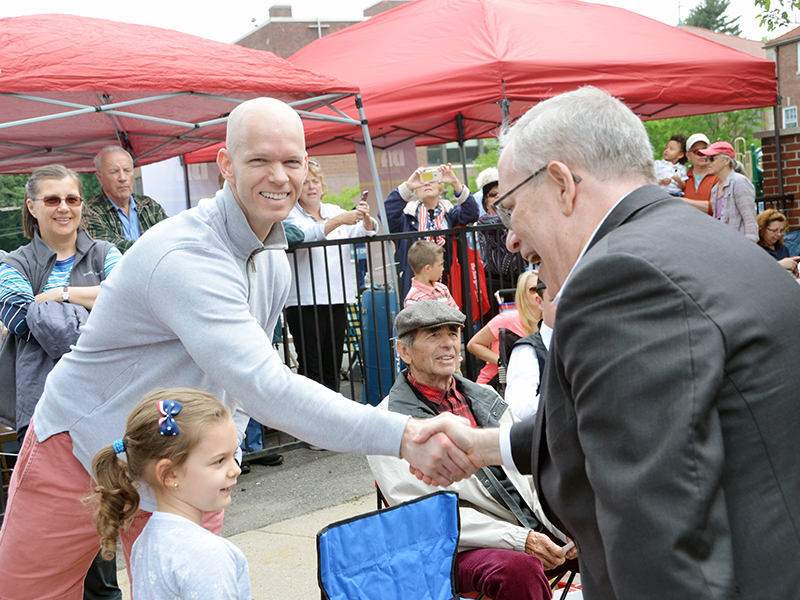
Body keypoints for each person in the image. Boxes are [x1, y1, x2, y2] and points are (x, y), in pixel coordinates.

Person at [0, 97, 475, 600]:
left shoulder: (273, 258)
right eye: (259, 160)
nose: (279, 176)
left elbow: (248, 387)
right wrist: (404, 433)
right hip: (82, 447)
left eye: (292, 161)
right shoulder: (185, 255)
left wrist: (222, 453)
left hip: (182, 463)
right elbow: (265, 386)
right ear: (226, 165)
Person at [437, 86, 800, 599]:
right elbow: (633, 418)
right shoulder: (694, 237)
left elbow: (658, 537)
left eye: (510, 207)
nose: (512, 238)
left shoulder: (617, 276)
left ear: (561, 183)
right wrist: (485, 446)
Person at [368, 301, 576, 600]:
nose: (448, 344)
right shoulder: (390, 422)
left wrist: (564, 516)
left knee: (604, 529)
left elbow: (534, 469)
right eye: (433, 335)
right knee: (518, 569)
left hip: (523, 527)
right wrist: (520, 539)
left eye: (453, 333)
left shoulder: (486, 395)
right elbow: (426, 517)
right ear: (404, 351)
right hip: (455, 544)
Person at [0, 165, 123, 600]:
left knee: (102, 553)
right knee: (43, 548)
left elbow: (132, 303)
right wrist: (97, 314)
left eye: (71, 199)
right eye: (52, 200)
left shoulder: (105, 252)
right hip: (41, 419)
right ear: (32, 207)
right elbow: (21, 319)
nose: (63, 208)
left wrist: (61, 296)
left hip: (103, 412)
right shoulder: (9, 263)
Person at [91, 388, 250, 599]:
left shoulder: (144, 541)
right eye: (219, 460)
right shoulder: (207, 555)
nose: (236, 469)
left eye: (234, 455)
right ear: (169, 474)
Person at [283, 161, 377, 392]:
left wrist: (364, 217)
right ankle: (311, 417)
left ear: (322, 187)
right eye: (305, 183)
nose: (311, 186)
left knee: (333, 361)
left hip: (336, 297)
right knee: (311, 364)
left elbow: (366, 231)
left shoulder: (334, 209)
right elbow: (302, 236)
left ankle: (332, 413)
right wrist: (340, 220)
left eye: (315, 182)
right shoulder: (287, 214)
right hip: (304, 300)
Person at [384, 163, 479, 299]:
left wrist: (454, 182)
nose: (427, 184)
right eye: (422, 182)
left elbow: (472, 213)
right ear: (415, 191)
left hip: (449, 282)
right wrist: (408, 185)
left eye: (432, 181)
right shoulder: (406, 218)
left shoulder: (450, 214)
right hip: (414, 287)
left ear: (441, 189)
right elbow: (386, 214)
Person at [81, 146, 168, 253]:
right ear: (100, 178)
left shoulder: (150, 206)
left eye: (127, 170)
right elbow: (109, 249)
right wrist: (153, 242)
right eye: (114, 172)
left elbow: (171, 237)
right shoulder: (90, 212)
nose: (123, 178)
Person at [466, 271, 540, 389]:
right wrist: (502, 362)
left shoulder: (550, 321)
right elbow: (473, 344)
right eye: (533, 289)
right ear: (523, 294)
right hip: (494, 387)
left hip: (527, 386)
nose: (538, 293)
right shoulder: (507, 319)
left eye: (542, 288)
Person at [503, 277, 555, 421]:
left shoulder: (586, 341)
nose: (564, 306)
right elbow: (517, 410)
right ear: (540, 302)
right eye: (554, 300)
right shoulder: (527, 351)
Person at [696, 141, 758, 242]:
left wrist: (749, 248)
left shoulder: (739, 182)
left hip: (740, 246)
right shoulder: (715, 189)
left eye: (712, 159)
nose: (707, 162)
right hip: (724, 245)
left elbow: (750, 219)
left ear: (726, 161)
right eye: (706, 159)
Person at [475, 167, 523, 295]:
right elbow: (498, 221)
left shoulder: (515, 216)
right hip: (494, 280)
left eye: (500, 192)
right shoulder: (484, 220)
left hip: (519, 276)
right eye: (492, 194)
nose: (497, 195)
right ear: (486, 204)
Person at [403, 240, 458, 309]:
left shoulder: (443, 289)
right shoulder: (413, 299)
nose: (442, 268)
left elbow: (457, 316)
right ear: (427, 268)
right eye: (440, 265)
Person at [681, 133, 718, 215]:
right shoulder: (682, 179)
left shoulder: (719, 176)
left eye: (705, 149)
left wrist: (681, 201)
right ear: (688, 156)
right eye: (696, 151)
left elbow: (717, 206)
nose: (702, 154)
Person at [756, 208, 800, 275]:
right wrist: (780, 265)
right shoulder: (756, 249)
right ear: (762, 229)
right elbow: (755, 272)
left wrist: (794, 268)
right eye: (774, 230)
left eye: (781, 230)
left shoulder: (783, 249)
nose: (779, 234)